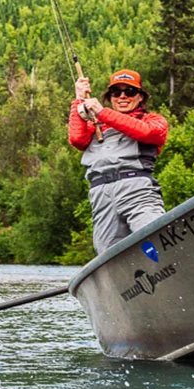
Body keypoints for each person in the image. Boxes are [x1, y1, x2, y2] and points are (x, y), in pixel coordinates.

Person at [68, 69, 168, 255]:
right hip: (100, 193)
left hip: (137, 188)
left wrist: (101, 112)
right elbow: (77, 139)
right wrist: (79, 100)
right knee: (108, 254)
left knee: (154, 237)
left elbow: (146, 132)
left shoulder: (153, 120)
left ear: (140, 97)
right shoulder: (95, 125)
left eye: (129, 92)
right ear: (110, 97)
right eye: (116, 92)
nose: (122, 97)